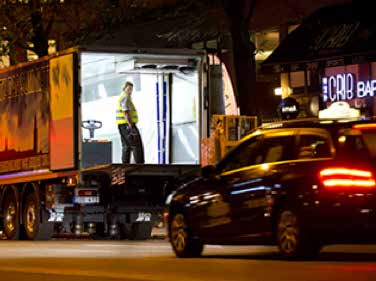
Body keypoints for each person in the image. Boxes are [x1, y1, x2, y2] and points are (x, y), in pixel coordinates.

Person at [116, 81, 144, 164]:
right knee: (136, 144)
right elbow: (126, 112)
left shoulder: (123, 96)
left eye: (131, 89)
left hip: (122, 125)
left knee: (126, 145)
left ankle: (125, 163)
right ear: (124, 88)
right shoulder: (125, 97)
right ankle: (140, 164)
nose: (130, 91)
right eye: (128, 89)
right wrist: (130, 125)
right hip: (127, 124)